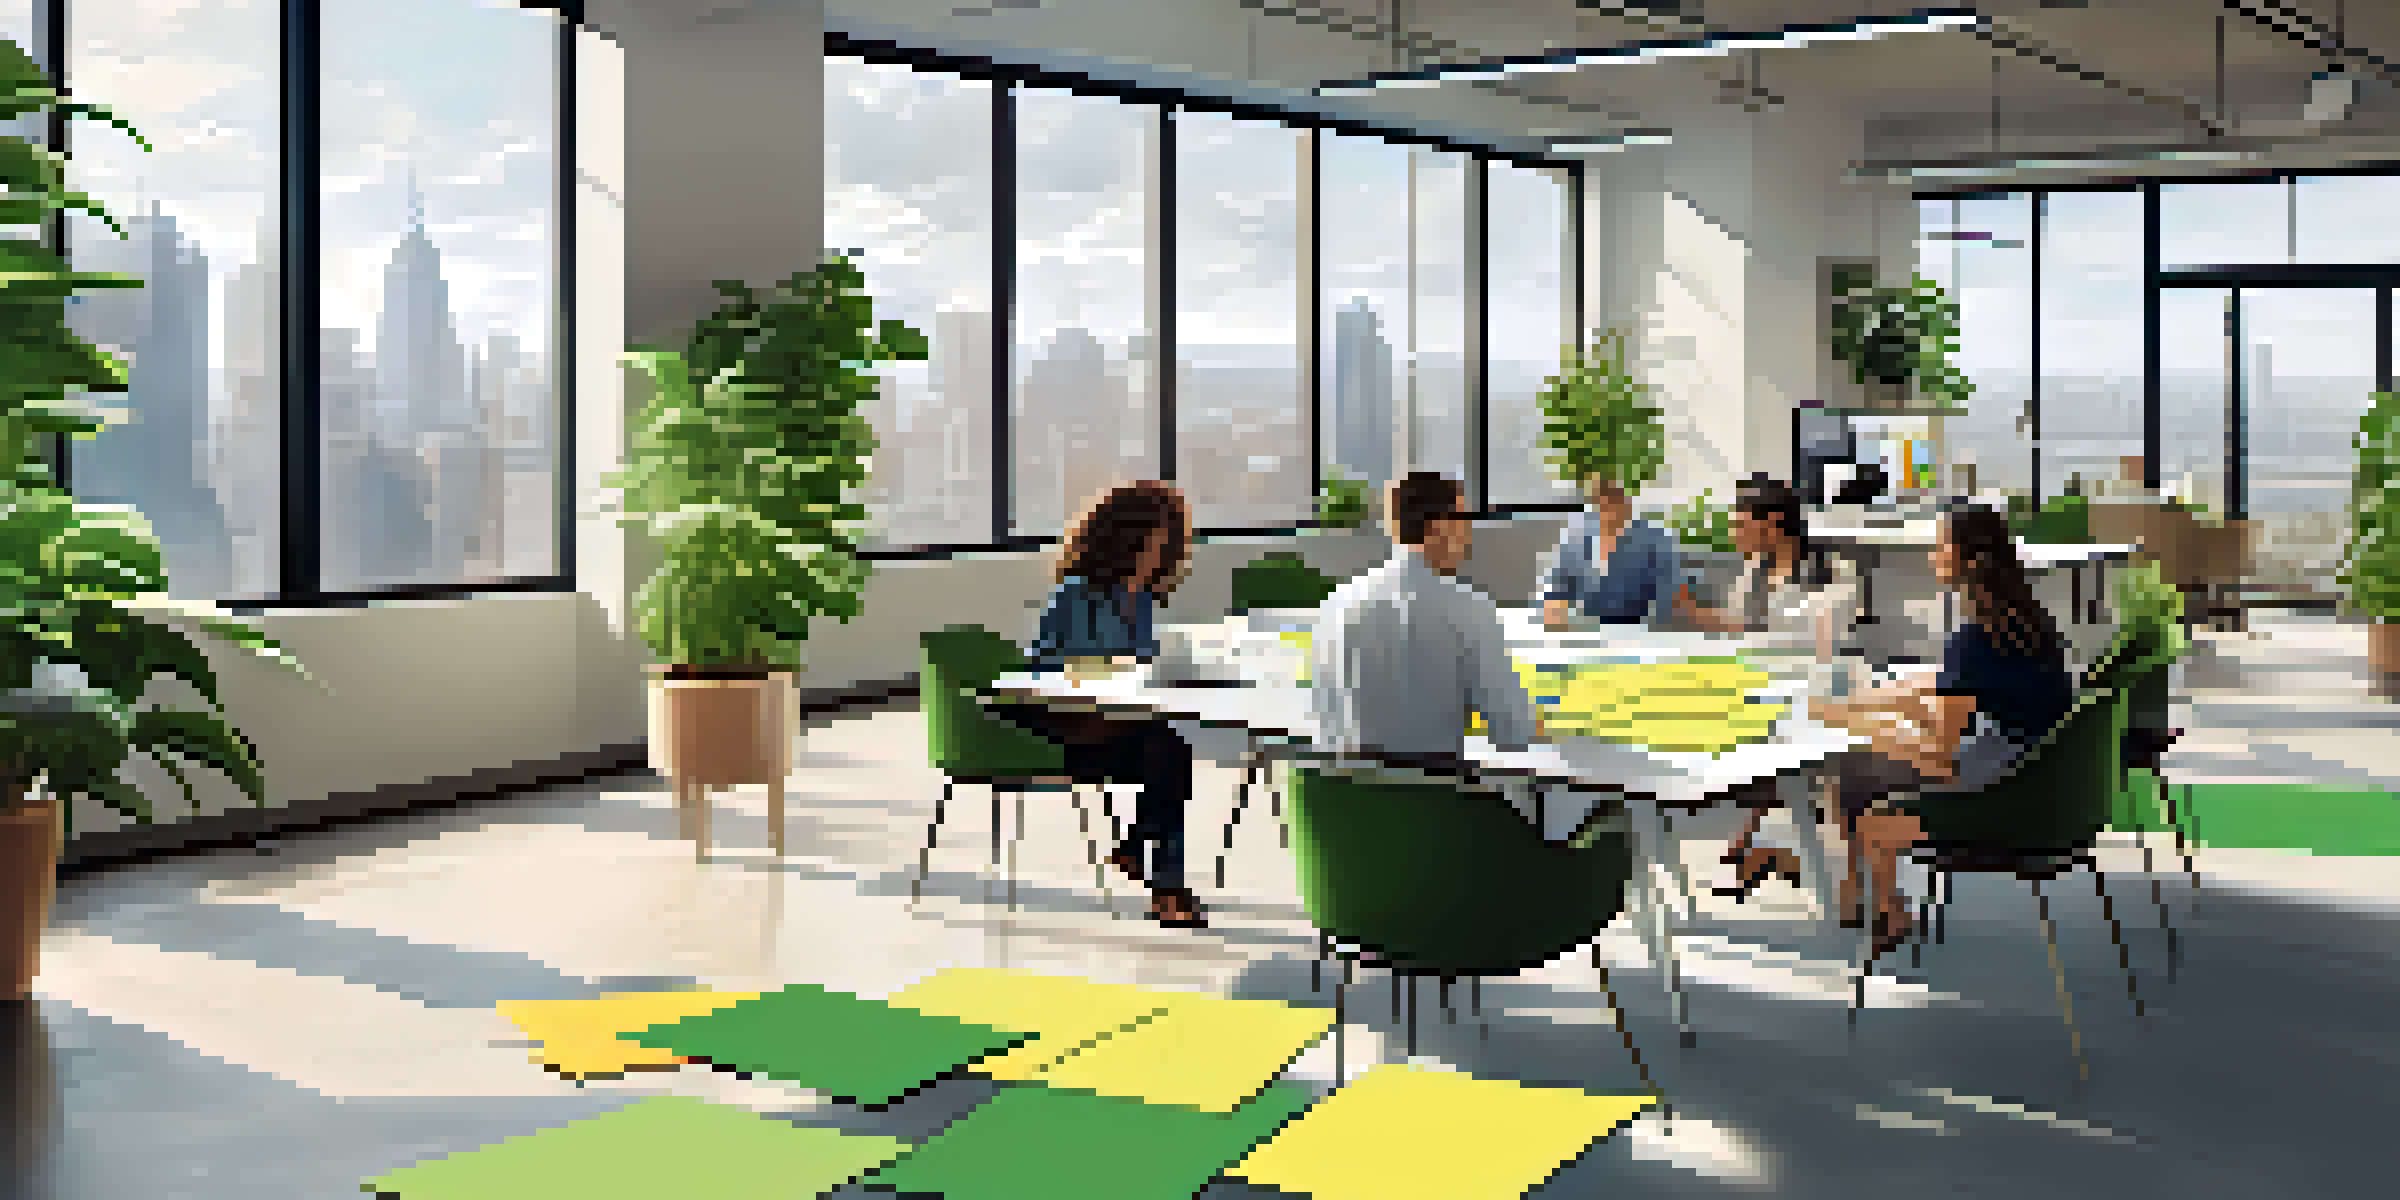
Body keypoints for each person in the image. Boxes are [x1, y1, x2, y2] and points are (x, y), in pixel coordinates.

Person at [1813, 500, 2075, 957]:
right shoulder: (2020, 619)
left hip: (2008, 790)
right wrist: (1877, 703)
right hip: (2037, 770)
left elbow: (1940, 754)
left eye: (1940, 547)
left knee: (1861, 780)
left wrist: (1863, 723)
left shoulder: (1975, 637)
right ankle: (1864, 898)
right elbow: (1951, 686)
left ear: (1969, 559)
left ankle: (1880, 906)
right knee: (1859, 773)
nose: (1932, 556)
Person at [996, 480, 1205, 929]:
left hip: (1120, 724)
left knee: (1170, 750)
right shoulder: (1075, 593)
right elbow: (1041, 667)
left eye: (1166, 545)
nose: (1157, 555)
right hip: (1067, 726)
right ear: (1123, 540)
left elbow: (1145, 665)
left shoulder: (1144, 600)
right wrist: (1108, 670)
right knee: (1167, 752)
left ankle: (1156, 874)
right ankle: (1154, 872)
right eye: (1151, 543)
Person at [1683, 475, 1865, 899]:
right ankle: (1757, 836)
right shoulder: (1752, 574)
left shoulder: (1831, 572)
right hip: (1768, 687)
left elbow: (1819, 641)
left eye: (1741, 522)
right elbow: (1740, 635)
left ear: (1772, 522)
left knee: (1800, 744)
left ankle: (1807, 858)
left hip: (1821, 690)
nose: (1734, 532)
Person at [1312, 471, 1546, 775]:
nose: (1469, 534)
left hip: (1334, 797)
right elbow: (1512, 732)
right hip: (1431, 800)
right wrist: (1535, 720)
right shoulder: (1467, 607)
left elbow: (1323, 716)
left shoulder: (1335, 603)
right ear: (1440, 527)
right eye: (1464, 520)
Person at [1538, 473, 1697, 630]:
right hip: (1584, 631)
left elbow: (1676, 596)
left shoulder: (1654, 539)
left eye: (1614, 495)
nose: (1607, 504)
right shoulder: (1579, 540)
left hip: (1638, 631)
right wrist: (1556, 614)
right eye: (1600, 496)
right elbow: (1558, 591)